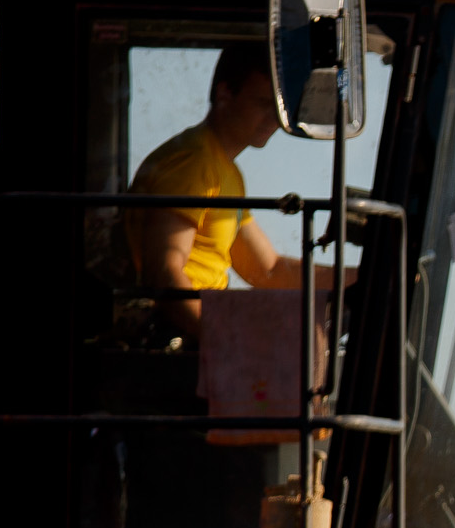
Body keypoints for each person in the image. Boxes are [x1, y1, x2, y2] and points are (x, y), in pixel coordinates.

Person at [128, 41, 326, 325]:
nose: (275, 119)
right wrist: (221, 346)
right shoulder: (193, 163)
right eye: (263, 103)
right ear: (225, 94)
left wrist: (366, 275)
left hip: (208, 323)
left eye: (280, 108)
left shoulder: (226, 171)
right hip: (180, 333)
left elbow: (268, 270)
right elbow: (164, 272)